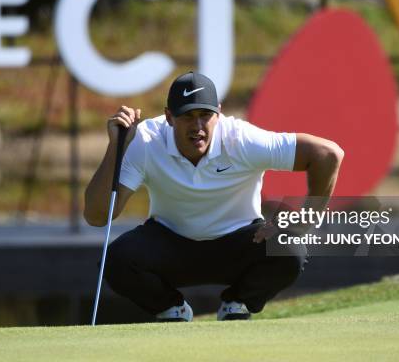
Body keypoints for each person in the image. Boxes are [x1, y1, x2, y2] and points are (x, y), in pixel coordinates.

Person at [84, 71, 343, 321]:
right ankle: (172, 309)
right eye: (187, 116)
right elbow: (97, 216)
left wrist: (303, 222)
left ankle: (237, 304)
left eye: (205, 115)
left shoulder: (242, 140)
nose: (197, 126)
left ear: (218, 113)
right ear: (169, 117)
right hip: (171, 244)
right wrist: (116, 147)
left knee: (290, 249)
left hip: (240, 242)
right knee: (117, 260)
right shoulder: (145, 141)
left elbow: (328, 154)